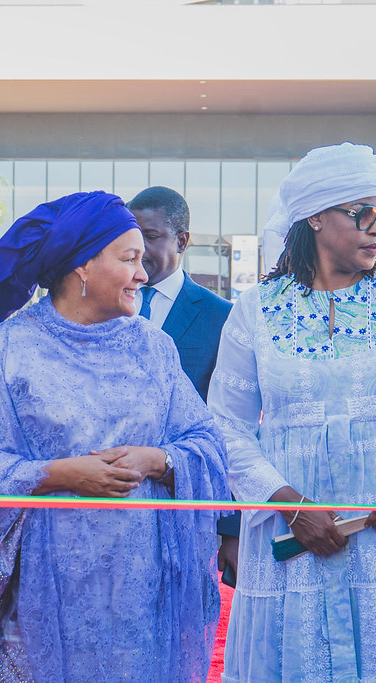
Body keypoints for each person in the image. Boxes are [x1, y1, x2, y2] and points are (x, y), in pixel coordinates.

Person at [208, 143, 376, 682]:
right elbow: (225, 426)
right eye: (362, 213)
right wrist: (288, 505)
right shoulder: (255, 311)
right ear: (315, 217)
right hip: (292, 538)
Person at [0, 191, 230, 682]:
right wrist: (54, 474)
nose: (143, 274)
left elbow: (206, 443)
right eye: (129, 259)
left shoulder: (154, 347)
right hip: (38, 591)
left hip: (140, 592)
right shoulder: (9, 348)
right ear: (82, 266)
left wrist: (159, 460)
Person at [127, 185, 239, 579]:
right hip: (113, 501)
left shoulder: (222, 317)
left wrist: (230, 528)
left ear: (183, 240)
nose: (138, 248)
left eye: (151, 236)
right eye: (131, 235)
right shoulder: (105, 308)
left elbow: (231, 426)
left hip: (185, 505)